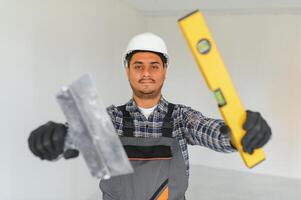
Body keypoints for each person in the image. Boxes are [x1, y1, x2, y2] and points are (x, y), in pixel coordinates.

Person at [28, 32, 272, 200]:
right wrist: (58, 138)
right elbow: (79, 135)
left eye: (154, 65)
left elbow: (209, 131)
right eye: (138, 65)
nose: (146, 73)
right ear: (128, 71)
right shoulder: (111, 119)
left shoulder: (182, 118)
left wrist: (238, 132)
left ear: (165, 71)